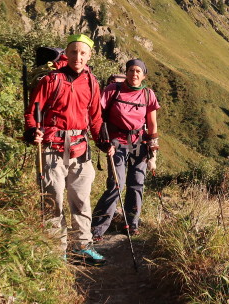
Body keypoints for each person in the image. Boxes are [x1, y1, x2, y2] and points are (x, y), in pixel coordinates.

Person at [24, 33, 107, 266]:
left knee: (81, 200)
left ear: (89, 56)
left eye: (83, 53)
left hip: (80, 149)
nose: (77, 57)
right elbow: (33, 112)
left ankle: (82, 246)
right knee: (53, 199)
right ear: (66, 54)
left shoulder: (92, 82)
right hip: (52, 148)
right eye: (73, 52)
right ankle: (55, 250)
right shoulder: (50, 80)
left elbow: (95, 118)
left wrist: (103, 142)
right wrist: (33, 131)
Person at [92, 58, 160, 240]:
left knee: (137, 183)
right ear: (126, 73)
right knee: (116, 183)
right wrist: (103, 140)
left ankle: (131, 224)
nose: (134, 74)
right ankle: (97, 228)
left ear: (144, 75)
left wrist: (153, 149)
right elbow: (98, 115)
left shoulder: (148, 94)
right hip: (117, 143)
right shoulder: (112, 90)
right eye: (131, 70)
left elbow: (152, 123)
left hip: (140, 143)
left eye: (138, 71)